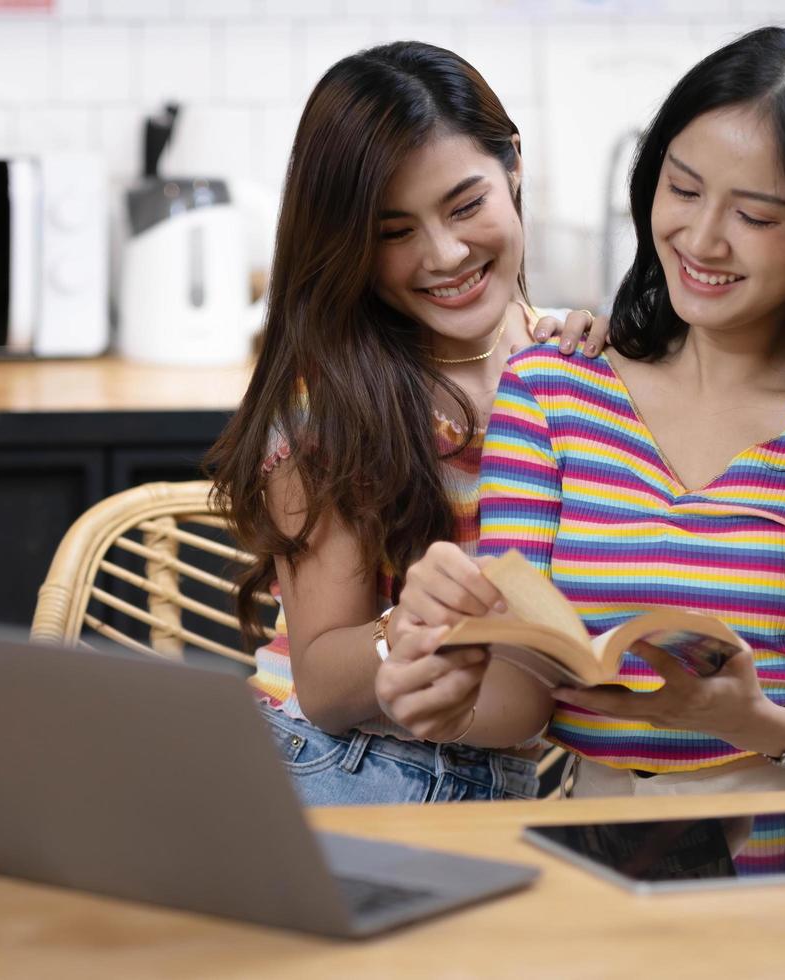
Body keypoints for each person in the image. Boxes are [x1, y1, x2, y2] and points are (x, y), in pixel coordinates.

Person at [376, 25, 785, 796]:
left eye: (757, 216)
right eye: (681, 189)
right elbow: (516, 701)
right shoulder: (551, 390)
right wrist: (434, 688)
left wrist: (763, 724)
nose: (701, 240)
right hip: (597, 857)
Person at [206, 41, 609, 806]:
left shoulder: (581, 362)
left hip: (498, 778)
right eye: (394, 233)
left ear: (513, 165)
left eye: (466, 205)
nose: (445, 253)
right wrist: (408, 625)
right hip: (336, 760)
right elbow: (324, 683)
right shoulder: (333, 399)